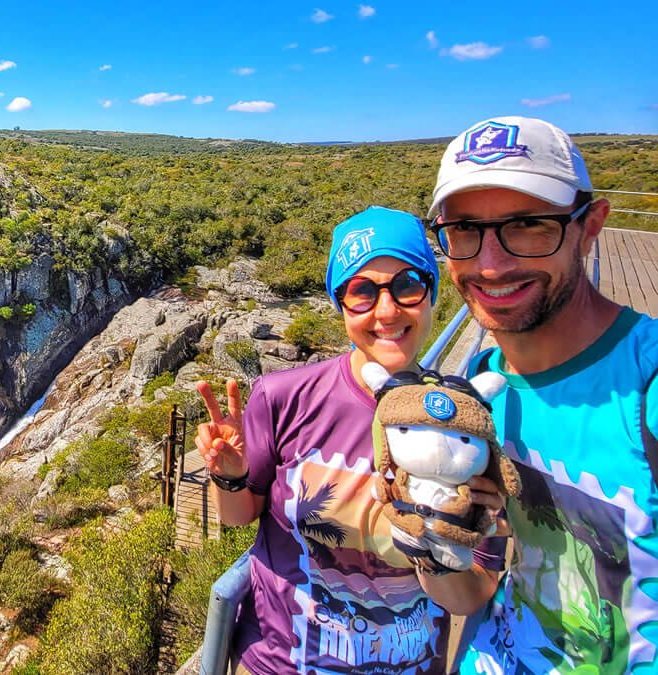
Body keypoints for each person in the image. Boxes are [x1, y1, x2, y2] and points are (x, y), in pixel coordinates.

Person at [195, 206, 507, 674]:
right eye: (361, 292)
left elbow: (471, 596)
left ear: (431, 294)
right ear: (341, 304)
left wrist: (434, 546)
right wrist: (230, 476)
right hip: (279, 663)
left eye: (406, 285)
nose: (386, 311)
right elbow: (239, 517)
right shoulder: (284, 396)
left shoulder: (466, 425)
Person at [427, 116, 658, 673]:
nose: (490, 263)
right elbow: (467, 594)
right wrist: (431, 541)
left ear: (590, 224)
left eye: (529, 224)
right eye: (464, 230)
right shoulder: (481, 390)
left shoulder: (644, 386)